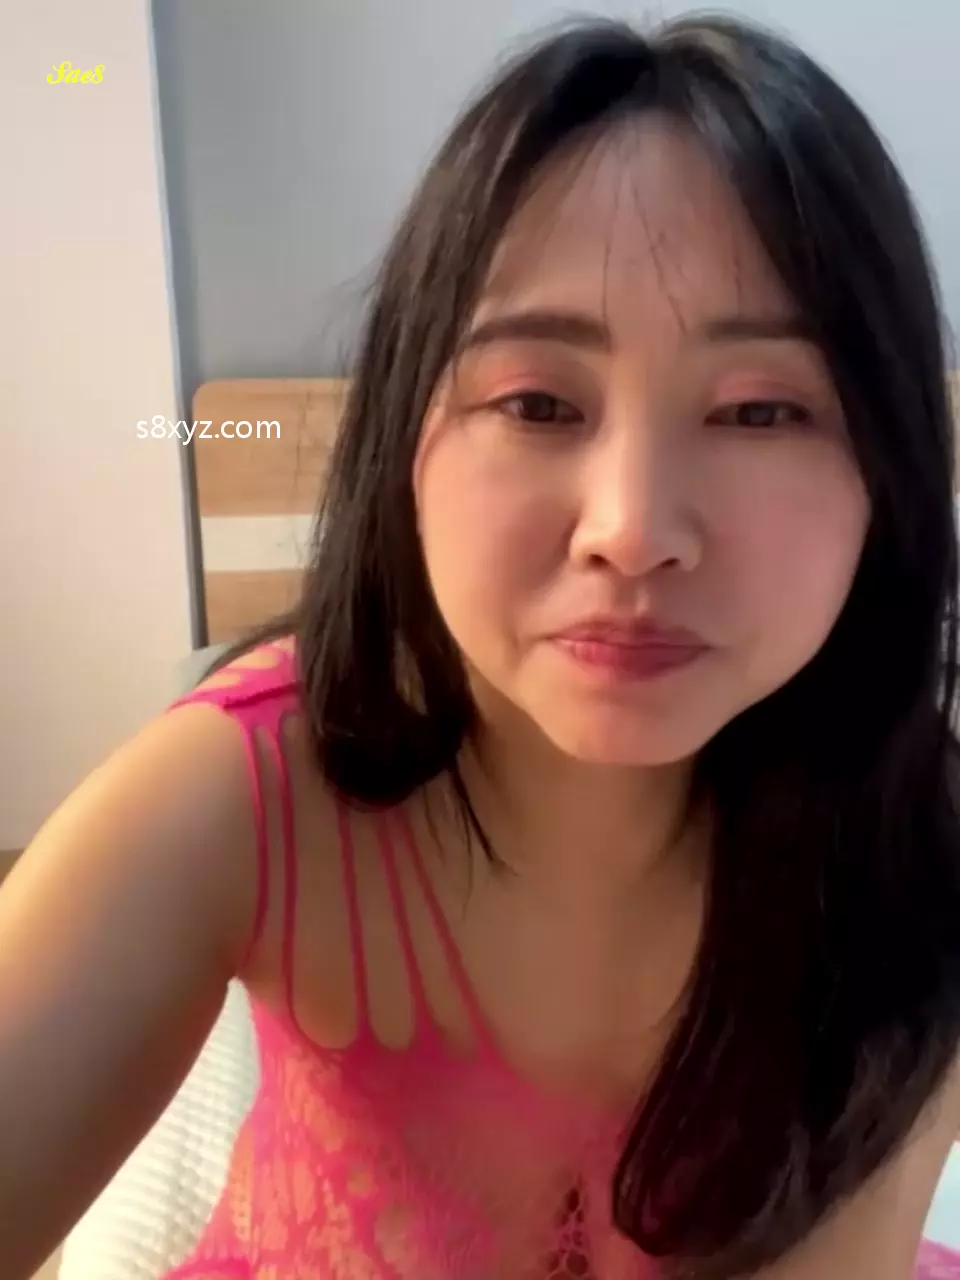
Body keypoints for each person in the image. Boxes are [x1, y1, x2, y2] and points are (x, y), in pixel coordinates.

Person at [3, 13, 960, 1280]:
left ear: (886, 476)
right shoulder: (244, 795)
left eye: (760, 410)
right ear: (408, 442)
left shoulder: (919, 848)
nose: (631, 528)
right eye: (538, 401)